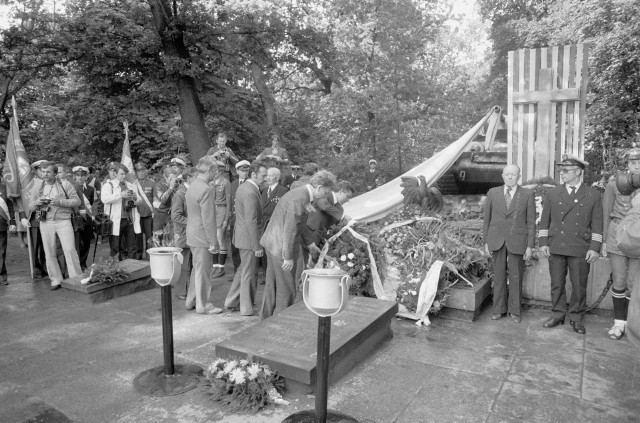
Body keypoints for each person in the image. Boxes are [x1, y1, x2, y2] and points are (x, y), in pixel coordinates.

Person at [259, 169, 336, 319]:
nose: (325, 197)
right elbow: (289, 229)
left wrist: (310, 244)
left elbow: (300, 224)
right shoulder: (301, 198)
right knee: (286, 289)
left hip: (274, 243)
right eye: (326, 193)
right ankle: (279, 324)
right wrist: (287, 257)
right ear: (319, 187)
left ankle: (264, 320)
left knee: (272, 286)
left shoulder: (303, 194)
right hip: (280, 247)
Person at [539, 154, 603, 334]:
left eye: (566, 171)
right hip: (557, 244)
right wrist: (543, 242)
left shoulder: (592, 194)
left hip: (580, 246)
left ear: (578, 173)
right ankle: (558, 314)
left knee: (579, 284)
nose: (562, 174)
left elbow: (597, 224)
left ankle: (576, 317)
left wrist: (595, 247)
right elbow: (545, 220)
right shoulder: (552, 193)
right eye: (561, 170)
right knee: (557, 283)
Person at [483, 164, 536, 323]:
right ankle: (498, 310)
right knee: (498, 276)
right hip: (496, 240)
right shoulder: (493, 193)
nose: (510, 177)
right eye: (507, 174)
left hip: (517, 240)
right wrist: (485, 242)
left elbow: (532, 223)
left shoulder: (527, 194)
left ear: (519, 176)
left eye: (513, 174)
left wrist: (530, 246)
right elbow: (486, 220)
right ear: (502, 176)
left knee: (516, 276)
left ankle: (515, 311)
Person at [602, 148, 640, 340]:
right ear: (628, 164)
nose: (637, 165)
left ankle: (632, 324)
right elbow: (606, 212)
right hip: (616, 234)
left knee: (635, 284)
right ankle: (619, 323)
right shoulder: (613, 184)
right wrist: (602, 241)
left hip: (636, 237)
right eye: (633, 162)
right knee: (619, 280)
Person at [28, 162, 82, 290]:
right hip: (45, 221)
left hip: (63, 220)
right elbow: (30, 207)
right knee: (49, 252)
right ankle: (56, 279)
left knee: (69, 249)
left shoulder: (65, 184)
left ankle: (76, 278)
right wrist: (37, 202)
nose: (45, 174)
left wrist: (60, 201)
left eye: (48, 172)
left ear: (55, 173)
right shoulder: (37, 186)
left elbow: (77, 201)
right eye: (43, 172)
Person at [224, 161, 267, 315]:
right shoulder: (249, 191)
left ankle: (231, 301)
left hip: (243, 236)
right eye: (263, 175)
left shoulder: (245, 187)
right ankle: (245, 308)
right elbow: (251, 221)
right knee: (248, 273)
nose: (266, 178)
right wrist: (257, 246)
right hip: (249, 239)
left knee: (243, 270)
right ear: (254, 175)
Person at [185, 156, 223, 315]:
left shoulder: (193, 185)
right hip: (202, 236)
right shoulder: (206, 189)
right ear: (209, 170)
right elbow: (208, 219)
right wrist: (213, 242)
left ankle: (191, 300)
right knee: (203, 272)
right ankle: (203, 305)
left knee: (197, 270)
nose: (216, 174)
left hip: (193, 233)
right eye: (215, 170)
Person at [101, 163, 141, 260]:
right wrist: (120, 195)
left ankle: (132, 266)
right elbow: (104, 199)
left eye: (125, 174)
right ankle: (116, 269)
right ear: (115, 174)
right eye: (121, 174)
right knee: (115, 247)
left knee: (132, 246)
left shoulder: (130, 185)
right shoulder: (108, 185)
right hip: (115, 220)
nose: (124, 176)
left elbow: (139, 201)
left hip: (129, 219)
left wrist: (135, 199)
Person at [171, 166, 198, 300]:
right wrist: (192, 222)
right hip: (183, 233)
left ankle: (188, 289)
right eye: (196, 177)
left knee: (190, 263)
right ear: (189, 178)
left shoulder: (190, 191)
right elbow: (175, 216)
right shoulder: (180, 194)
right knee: (183, 264)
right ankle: (180, 291)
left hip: (190, 232)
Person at [229, 160, 251, 275]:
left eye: (246, 171)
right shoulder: (233, 184)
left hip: (246, 220)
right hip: (234, 219)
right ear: (237, 171)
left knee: (246, 246)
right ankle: (236, 270)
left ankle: (247, 270)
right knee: (234, 247)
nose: (244, 173)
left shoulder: (251, 183)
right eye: (242, 171)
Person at [72, 166, 95, 271]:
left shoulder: (90, 189)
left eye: (83, 176)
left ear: (86, 177)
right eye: (78, 176)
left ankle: (83, 263)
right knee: (77, 242)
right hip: (76, 219)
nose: (80, 178)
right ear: (74, 177)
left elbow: (94, 204)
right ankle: (76, 264)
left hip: (88, 218)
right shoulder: (71, 188)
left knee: (86, 242)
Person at [210, 163, 231, 277]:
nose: (215, 172)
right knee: (213, 240)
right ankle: (215, 266)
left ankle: (221, 268)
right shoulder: (211, 183)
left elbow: (228, 202)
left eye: (217, 170)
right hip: (212, 211)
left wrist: (226, 219)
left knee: (220, 240)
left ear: (221, 171)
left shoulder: (225, 183)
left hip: (221, 210)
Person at [152, 165, 179, 244]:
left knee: (171, 238)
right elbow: (163, 200)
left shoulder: (176, 185)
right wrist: (170, 188)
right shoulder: (158, 185)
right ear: (165, 177)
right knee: (158, 238)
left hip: (171, 215)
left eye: (175, 178)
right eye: (171, 178)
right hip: (160, 215)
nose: (173, 181)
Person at [134, 162, 155, 258]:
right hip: (136, 214)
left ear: (146, 171)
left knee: (149, 235)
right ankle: (138, 254)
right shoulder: (133, 184)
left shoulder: (152, 183)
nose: (141, 173)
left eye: (142, 171)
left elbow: (155, 199)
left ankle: (149, 254)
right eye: (138, 171)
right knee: (137, 235)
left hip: (148, 214)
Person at [0, 175, 17, 284]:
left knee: (1, 251)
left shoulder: (5, 188)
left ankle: (2, 275)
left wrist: (12, 222)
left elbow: (10, 207)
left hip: (1, 223)